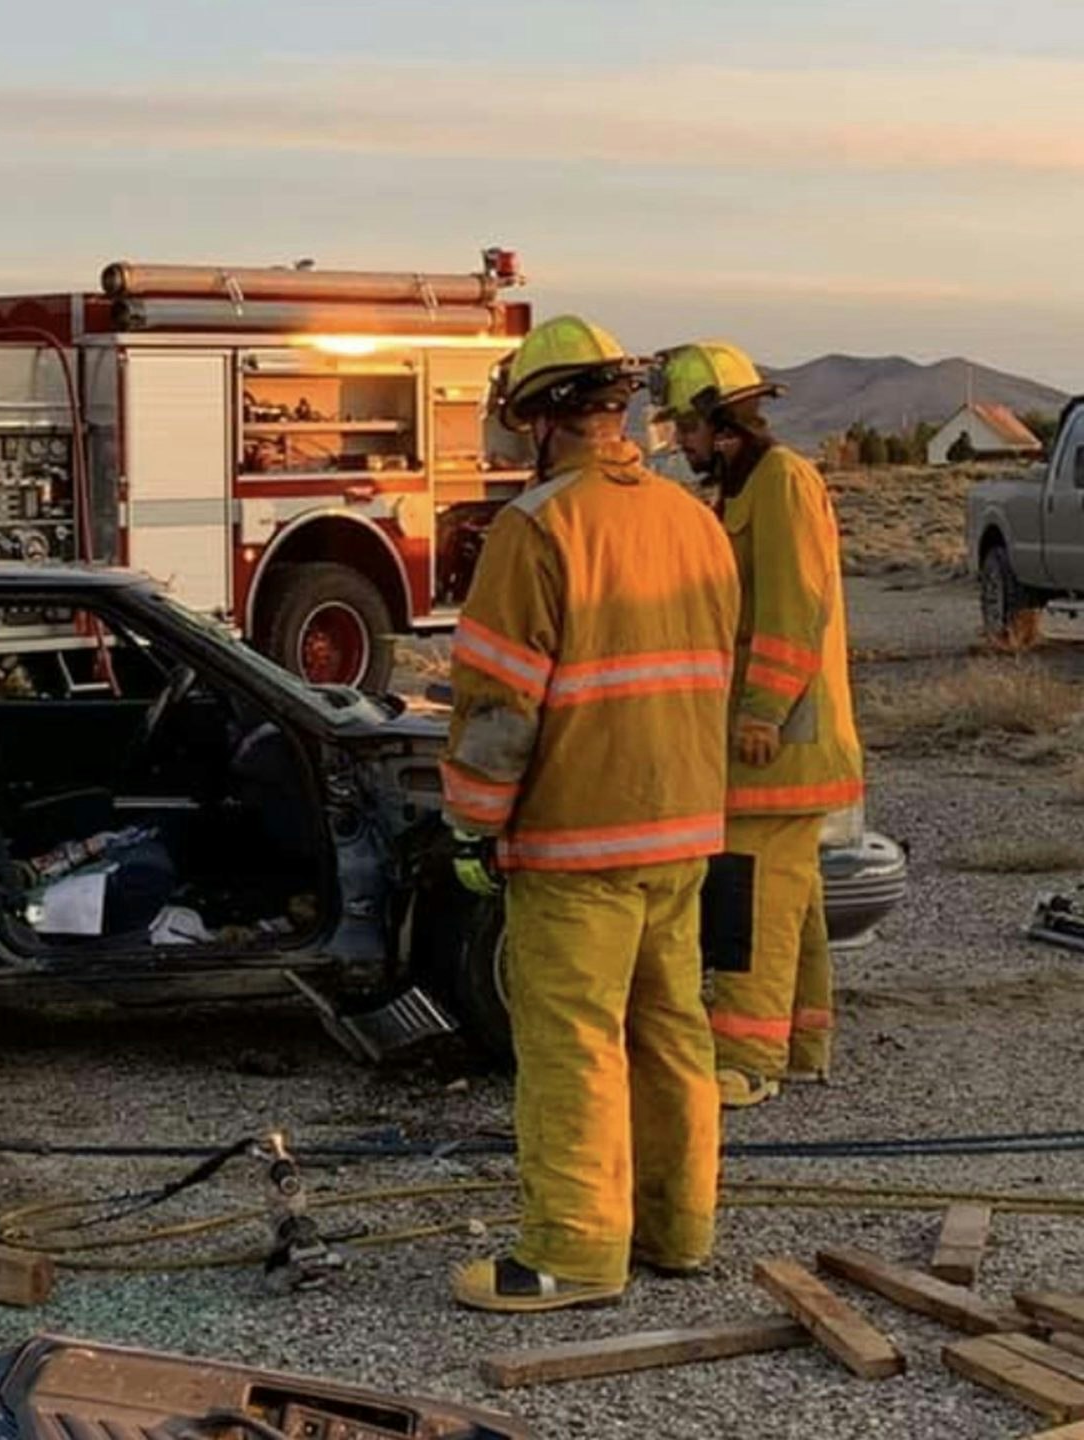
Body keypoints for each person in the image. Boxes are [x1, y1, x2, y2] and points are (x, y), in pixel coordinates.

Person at [442, 316, 741, 1313]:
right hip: (683, 824)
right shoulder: (690, 519)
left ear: (537, 421)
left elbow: (498, 705)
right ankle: (677, 1231)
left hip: (578, 837)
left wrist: (475, 823)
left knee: (572, 1043)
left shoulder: (537, 529)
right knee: (670, 1033)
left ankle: (572, 1254)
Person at [651, 342, 864, 1109]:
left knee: (755, 901)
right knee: (792, 899)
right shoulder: (744, 490)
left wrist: (762, 711)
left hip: (781, 742)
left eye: (687, 427)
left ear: (722, 423)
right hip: (775, 741)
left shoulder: (780, 485)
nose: (682, 443)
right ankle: (803, 1045)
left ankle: (746, 1059)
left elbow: (791, 606)